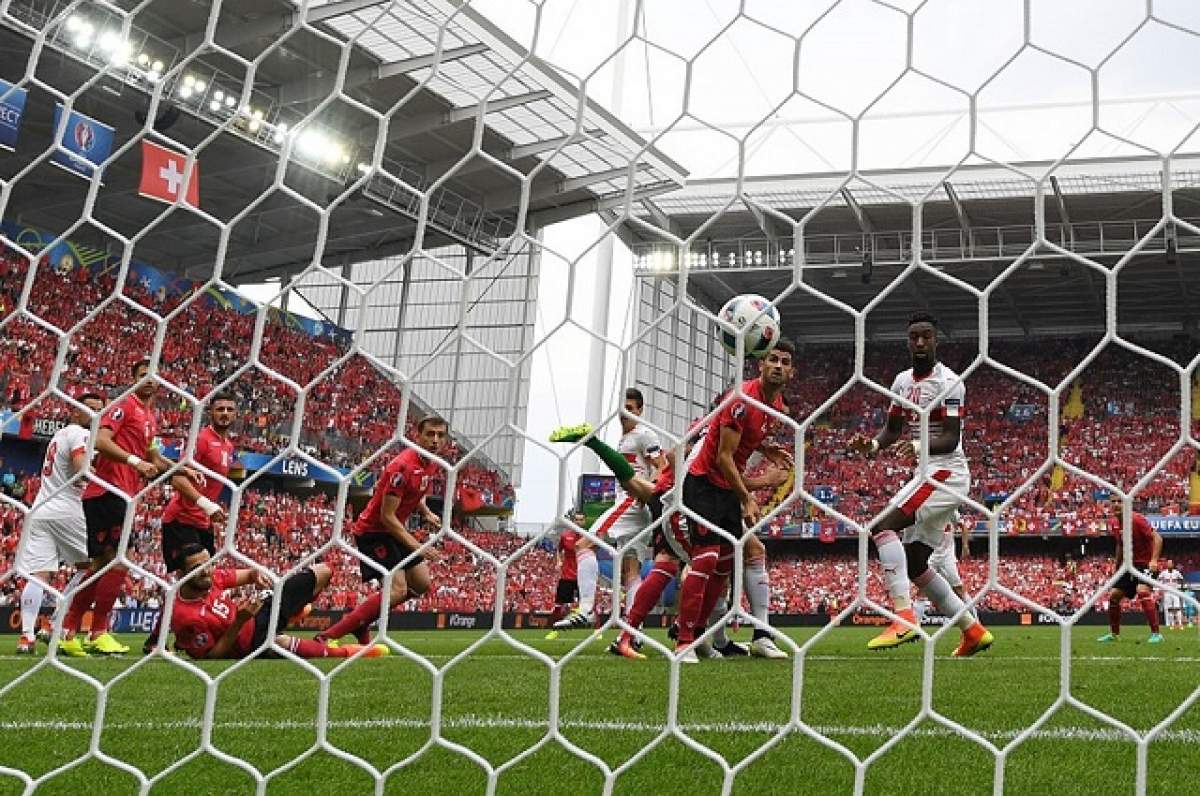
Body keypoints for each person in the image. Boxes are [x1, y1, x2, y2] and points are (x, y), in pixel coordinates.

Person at [847, 312, 991, 657]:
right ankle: (972, 630)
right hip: (926, 473)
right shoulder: (900, 382)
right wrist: (873, 446)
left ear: (936, 340)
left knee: (882, 528)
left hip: (947, 473)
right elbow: (893, 428)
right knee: (914, 563)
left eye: (927, 336)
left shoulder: (950, 383)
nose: (921, 343)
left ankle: (904, 617)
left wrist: (915, 446)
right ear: (908, 341)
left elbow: (951, 438)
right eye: (915, 337)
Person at [60, 359, 203, 657]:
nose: (148, 380)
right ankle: (90, 631)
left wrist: (181, 471)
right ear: (133, 378)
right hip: (105, 492)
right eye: (142, 375)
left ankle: (73, 630)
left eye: (152, 375)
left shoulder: (151, 417)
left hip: (125, 495)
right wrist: (134, 462)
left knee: (106, 565)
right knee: (114, 563)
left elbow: (155, 460)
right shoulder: (124, 405)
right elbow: (100, 439)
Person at [672, 341, 798, 663]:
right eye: (772, 359)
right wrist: (747, 499)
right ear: (761, 365)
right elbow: (724, 457)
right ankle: (684, 641)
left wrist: (765, 447)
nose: (778, 366)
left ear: (791, 372)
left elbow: (745, 441)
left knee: (726, 563)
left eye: (785, 362)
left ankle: (703, 636)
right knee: (705, 558)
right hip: (703, 484)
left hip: (726, 489)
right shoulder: (742, 400)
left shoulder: (776, 406)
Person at [315, 415, 447, 646]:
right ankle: (327, 635)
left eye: (440, 435)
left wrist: (425, 512)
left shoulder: (432, 463)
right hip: (374, 532)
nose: (435, 440)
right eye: (430, 435)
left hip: (393, 531)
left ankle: (362, 621)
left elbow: (415, 491)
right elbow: (387, 517)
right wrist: (418, 547)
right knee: (398, 589)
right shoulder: (402, 466)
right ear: (418, 436)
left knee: (422, 583)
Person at [553, 389, 666, 632]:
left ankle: (585, 609)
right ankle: (633, 630)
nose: (626, 413)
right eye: (623, 408)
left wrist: (648, 494)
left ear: (640, 410)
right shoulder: (626, 440)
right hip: (636, 505)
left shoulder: (644, 435)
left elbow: (662, 467)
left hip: (632, 501)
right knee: (631, 570)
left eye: (631, 408)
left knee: (583, 545)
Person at [170, 544, 386, 659]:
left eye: (208, 564)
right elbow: (212, 658)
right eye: (196, 569)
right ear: (180, 574)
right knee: (279, 644)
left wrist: (255, 575)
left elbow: (246, 574)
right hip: (251, 643)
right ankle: (349, 652)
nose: (206, 572)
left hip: (259, 614)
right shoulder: (185, 617)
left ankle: (292, 615)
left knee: (324, 571)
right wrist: (239, 621)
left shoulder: (211, 578)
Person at [143, 392, 239, 655]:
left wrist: (209, 512)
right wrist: (206, 504)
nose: (225, 413)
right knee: (184, 582)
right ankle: (155, 641)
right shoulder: (201, 439)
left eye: (230, 409)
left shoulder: (228, 446)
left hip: (202, 523)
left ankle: (182, 638)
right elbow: (176, 476)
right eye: (220, 408)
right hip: (182, 519)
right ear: (210, 412)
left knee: (201, 582)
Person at [13, 393, 104, 655]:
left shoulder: (59, 435)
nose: (94, 413)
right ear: (75, 411)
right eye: (89, 408)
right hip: (67, 508)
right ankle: (54, 623)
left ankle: (27, 637)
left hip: (41, 508)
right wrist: (103, 479)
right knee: (92, 565)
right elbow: (80, 468)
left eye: (99, 409)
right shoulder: (80, 433)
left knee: (38, 574)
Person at [1098, 495, 1164, 644]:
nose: (1116, 504)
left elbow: (1158, 538)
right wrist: (1117, 568)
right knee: (1114, 596)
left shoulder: (1136, 520)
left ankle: (1156, 634)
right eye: (1113, 501)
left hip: (1145, 564)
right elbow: (1120, 545)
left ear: (1127, 503)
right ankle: (1114, 634)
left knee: (1142, 591)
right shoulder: (1114, 523)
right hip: (1129, 566)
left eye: (1119, 501)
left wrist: (1154, 560)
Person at [544, 512, 583, 640]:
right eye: (577, 519)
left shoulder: (588, 537)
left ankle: (597, 632)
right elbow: (558, 550)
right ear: (573, 521)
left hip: (583, 576)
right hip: (567, 575)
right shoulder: (565, 536)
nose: (579, 522)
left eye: (581, 520)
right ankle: (554, 631)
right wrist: (559, 561)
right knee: (559, 604)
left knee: (589, 604)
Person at [1158, 559, 1185, 630]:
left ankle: (1180, 624)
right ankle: (1170, 624)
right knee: (1168, 608)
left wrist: (1181, 589)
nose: (1169, 565)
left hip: (1175, 592)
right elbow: (1159, 579)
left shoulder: (1176, 572)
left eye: (1170, 563)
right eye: (1168, 563)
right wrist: (1161, 588)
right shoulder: (1163, 573)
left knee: (1177, 608)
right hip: (1167, 592)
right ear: (1167, 565)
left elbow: (1182, 579)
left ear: (1173, 565)